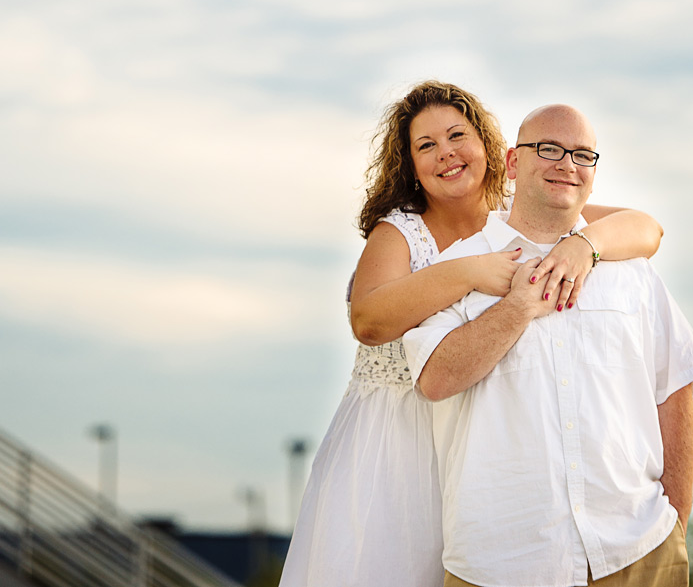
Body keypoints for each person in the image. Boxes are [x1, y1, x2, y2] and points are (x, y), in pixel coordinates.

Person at [280, 82, 664, 587]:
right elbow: (369, 321)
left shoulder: (517, 211)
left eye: (457, 135)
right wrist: (469, 271)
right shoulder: (400, 232)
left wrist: (584, 246)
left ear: (492, 149)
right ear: (411, 166)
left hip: (482, 447)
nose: (446, 154)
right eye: (426, 146)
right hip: (397, 444)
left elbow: (646, 229)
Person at [403, 103, 693, 587]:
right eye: (548, 149)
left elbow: (675, 391)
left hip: (639, 554)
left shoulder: (630, 272)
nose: (567, 165)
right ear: (511, 163)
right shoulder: (457, 268)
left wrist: (673, 522)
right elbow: (435, 380)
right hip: (502, 564)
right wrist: (519, 307)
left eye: (583, 155)